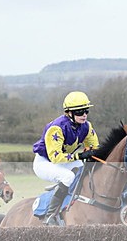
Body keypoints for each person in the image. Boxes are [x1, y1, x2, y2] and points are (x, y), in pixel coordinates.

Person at [31, 91, 100, 225]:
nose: (84, 115)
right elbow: (56, 158)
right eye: (79, 112)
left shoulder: (87, 126)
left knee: (83, 169)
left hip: (63, 160)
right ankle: (50, 215)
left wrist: (94, 154)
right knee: (68, 177)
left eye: (86, 111)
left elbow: (95, 147)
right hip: (45, 162)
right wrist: (79, 155)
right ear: (69, 113)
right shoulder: (57, 128)